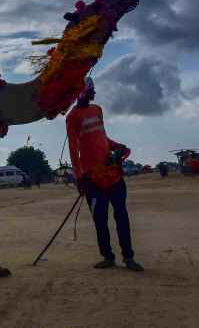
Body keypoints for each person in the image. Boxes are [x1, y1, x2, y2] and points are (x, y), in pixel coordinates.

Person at [66, 78, 143, 272]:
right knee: (100, 220)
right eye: (91, 91)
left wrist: (118, 147)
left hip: (113, 175)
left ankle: (128, 257)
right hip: (92, 179)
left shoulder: (97, 110)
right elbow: (73, 148)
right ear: (83, 92)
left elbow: (102, 137)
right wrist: (80, 176)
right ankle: (107, 256)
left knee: (121, 216)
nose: (94, 94)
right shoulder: (72, 117)